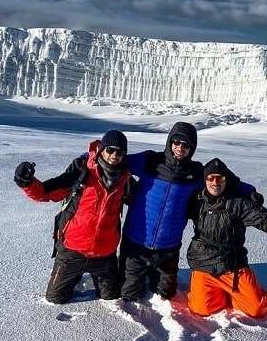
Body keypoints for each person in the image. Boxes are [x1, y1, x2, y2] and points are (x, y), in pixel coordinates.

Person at [13, 129, 132, 304]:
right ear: (101, 149)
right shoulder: (82, 171)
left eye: (120, 152)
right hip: (72, 250)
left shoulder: (125, 179)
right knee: (55, 299)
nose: (115, 155)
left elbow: (143, 202)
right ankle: (74, 276)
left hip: (105, 254)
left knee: (110, 297)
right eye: (110, 150)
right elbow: (46, 192)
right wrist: (27, 182)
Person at [120, 122, 224, 301]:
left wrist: (249, 192)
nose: (180, 148)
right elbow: (117, 160)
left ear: (192, 147)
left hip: (167, 248)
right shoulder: (150, 161)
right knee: (128, 294)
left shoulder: (196, 173)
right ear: (170, 142)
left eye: (186, 145)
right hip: (135, 244)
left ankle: (155, 273)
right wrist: (88, 158)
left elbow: (226, 180)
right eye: (176, 142)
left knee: (166, 295)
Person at [186, 157, 267, 318]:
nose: (215, 182)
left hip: (232, 265)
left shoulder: (238, 204)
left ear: (226, 180)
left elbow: (264, 220)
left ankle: (238, 292)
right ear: (204, 180)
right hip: (204, 264)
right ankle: (209, 291)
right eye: (210, 178)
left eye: (220, 178)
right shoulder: (196, 202)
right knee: (201, 310)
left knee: (257, 309)